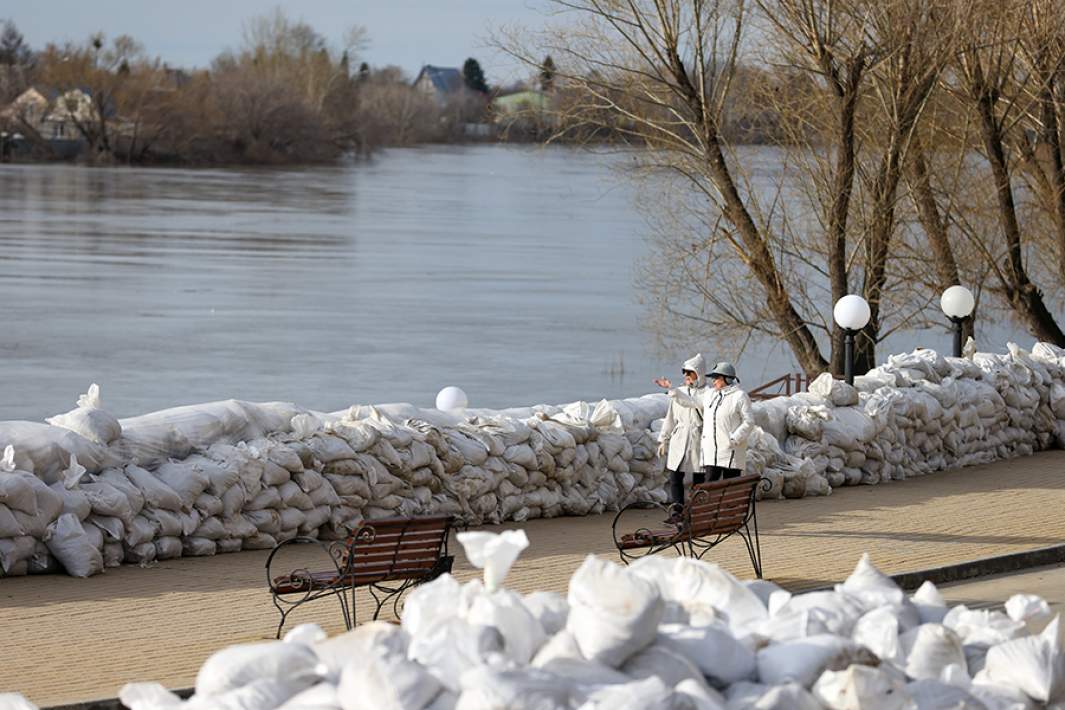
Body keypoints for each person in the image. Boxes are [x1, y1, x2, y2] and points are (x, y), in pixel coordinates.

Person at [668, 361, 754, 481]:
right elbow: (691, 402)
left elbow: (749, 422)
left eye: (716, 378)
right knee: (709, 488)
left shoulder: (739, 396)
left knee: (730, 487)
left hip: (730, 451)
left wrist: (734, 439)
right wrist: (672, 390)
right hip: (711, 453)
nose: (713, 381)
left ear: (727, 379)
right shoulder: (710, 395)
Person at [653, 354, 707, 518]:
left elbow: (691, 402)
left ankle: (697, 512)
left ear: (699, 374)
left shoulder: (707, 393)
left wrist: (672, 390)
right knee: (676, 477)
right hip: (680, 438)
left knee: (699, 478)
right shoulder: (678, 393)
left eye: (690, 373)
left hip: (699, 439)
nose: (686, 376)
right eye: (684, 372)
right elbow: (670, 418)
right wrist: (664, 438)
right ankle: (677, 511)